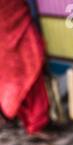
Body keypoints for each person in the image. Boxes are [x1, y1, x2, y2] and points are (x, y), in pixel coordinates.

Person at [0, 0, 50, 137]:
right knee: (31, 72)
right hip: (15, 30)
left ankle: (23, 117)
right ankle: (36, 123)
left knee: (15, 78)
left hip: (8, 35)